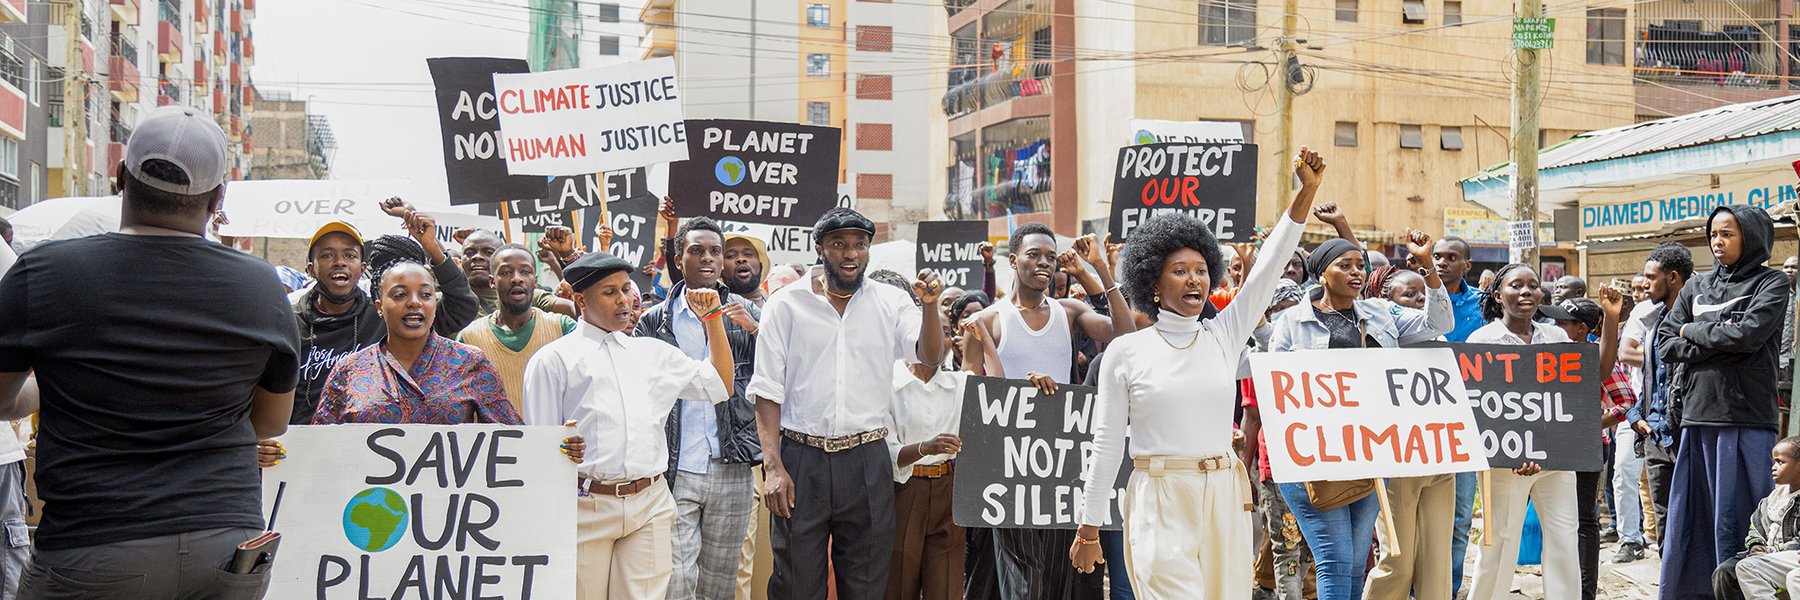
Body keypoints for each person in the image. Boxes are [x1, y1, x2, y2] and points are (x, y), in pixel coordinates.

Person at [0, 105, 297, 597]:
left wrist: (57, 385)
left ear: (119, 177)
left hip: (95, 549)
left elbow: (1, 399)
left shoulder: (45, 273)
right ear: (217, 198)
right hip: (225, 546)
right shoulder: (261, 286)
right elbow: (270, 423)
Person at [1071, 148, 1326, 599]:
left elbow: (1267, 269)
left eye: (1202, 271)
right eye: (1180, 271)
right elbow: (1107, 448)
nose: (1195, 280)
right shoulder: (1126, 352)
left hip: (1225, 495)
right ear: (1153, 282)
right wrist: (1089, 528)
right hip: (1159, 496)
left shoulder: (1223, 335)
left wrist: (1305, 194)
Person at [749, 207, 947, 600]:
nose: (851, 253)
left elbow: (930, 355)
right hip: (800, 461)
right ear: (819, 247)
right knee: (795, 584)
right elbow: (767, 392)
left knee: (868, 581)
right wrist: (773, 468)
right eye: (839, 244)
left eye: (860, 244)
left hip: (867, 460)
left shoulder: (892, 301)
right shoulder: (785, 305)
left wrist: (929, 306)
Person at [523, 252, 737, 600]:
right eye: (610, 292)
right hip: (585, 506)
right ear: (580, 300)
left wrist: (712, 318)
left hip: (648, 504)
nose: (624, 300)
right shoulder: (553, 360)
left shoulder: (652, 354)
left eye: (626, 289)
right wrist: (562, 446)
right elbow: (540, 446)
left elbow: (720, 384)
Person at [1267, 230, 1453, 600]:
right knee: (1334, 559)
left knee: (1354, 562)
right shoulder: (1291, 323)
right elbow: (1278, 393)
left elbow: (1439, 324)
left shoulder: (1381, 313)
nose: (1357, 273)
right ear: (1321, 273)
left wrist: (1428, 265)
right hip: (1314, 457)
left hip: (1368, 453)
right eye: (1345, 265)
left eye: (1360, 267)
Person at [968, 221, 1137, 600]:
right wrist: (1020, 390)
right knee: (1023, 581)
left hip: (1063, 468)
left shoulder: (1069, 311)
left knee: (1062, 581)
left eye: (1049, 256)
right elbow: (972, 398)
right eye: (1033, 255)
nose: (1044, 263)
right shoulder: (988, 321)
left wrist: (1102, 271)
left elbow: (1126, 338)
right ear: (1013, 261)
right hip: (1010, 467)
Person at [1656, 205, 1791, 600]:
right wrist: (1717, 338)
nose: (1718, 242)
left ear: (1750, 236)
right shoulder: (1696, 287)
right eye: (1713, 234)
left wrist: (1692, 331)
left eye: (1728, 234)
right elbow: (1666, 343)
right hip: (1698, 417)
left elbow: (1748, 336)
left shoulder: (1771, 284)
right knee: (1694, 521)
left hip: (1745, 416)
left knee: (1740, 519)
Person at [636, 216, 763, 600]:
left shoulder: (746, 313)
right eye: (696, 250)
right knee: (676, 581)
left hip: (732, 466)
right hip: (675, 468)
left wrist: (757, 330)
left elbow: (782, 375)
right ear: (679, 258)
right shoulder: (653, 321)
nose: (707, 259)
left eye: (715, 251)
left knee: (719, 585)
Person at [291, 202, 480, 424]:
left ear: (362, 269)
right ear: (311, 269)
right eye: (327, 255)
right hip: (300, 448)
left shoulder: (386, 316)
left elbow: (462, 307)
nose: (340, 262)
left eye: (350, 255)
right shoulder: (289, 323)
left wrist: (432, 247)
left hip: (371, 447)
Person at [1466, 264, 1586, 600]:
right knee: (1499, 543)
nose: (1526, 292)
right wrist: (1511, 450)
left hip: (1557, 459)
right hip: (1505, 463)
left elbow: (1569, 398)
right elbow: (1481, 408)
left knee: (1565, 538)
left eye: (1533, 286)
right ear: (1497, 295)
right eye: (1516, 285)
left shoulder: (1557, 337)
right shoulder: (1482, 340)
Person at [308, 261, 521, 426]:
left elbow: (512, 438)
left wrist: (551, 451)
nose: (414, 302)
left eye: (425, 294)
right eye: (400, 294)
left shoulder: (470, 363)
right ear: (380, 307)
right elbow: (320, 446)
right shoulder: (349, 370)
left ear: (434, 305)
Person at [877, 275, 982, 600]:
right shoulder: (888, 386)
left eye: (946, 334)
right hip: (906, 491)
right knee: (899, 579)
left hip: (949, 490)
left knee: (947, 584)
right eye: (927, 333)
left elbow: (997, 394)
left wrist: (983, 339)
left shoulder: (958, 384)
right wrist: (926, 448)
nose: (937, 340)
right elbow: (888, 454)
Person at [1540, 295, 1637, 600]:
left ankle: (1585, 591)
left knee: (1584, 519)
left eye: (1562, 322)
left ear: (1581, 329)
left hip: (1588, 446)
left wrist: (1592, 424)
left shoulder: (1597, 356)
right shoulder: (1551, 353)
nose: (1555, 326)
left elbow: (1626, 401)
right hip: (1554, 446)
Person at [1626, 242, 1695, 550]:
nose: (1645, 284)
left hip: (1685, 434)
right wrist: (1637, 416)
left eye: (1652, 278)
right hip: (1655, 435)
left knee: (1692, 516)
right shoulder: (1654, 322)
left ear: (1674, 278)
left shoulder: (1695, 320)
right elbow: (1654, 380)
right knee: (1664, 521)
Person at [1430, 234, 1488, 594]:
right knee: (1418, 516)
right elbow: (1371, 277)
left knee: (1460, 516)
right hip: (1418, 421)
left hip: (1468, 423)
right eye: (1437, 256)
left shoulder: (1484, 304)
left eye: (1451, 257)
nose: (1442, 262)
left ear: (1467, 265)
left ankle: (1449, 589)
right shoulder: (1414, 295)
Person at [455, 245, 578, 411]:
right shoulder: (469, 339)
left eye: (525, 271)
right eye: (506, 272)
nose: (516, 279)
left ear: (535, 281)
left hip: (553, 437)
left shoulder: (563, 328)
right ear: (492, 282)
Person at [1713, 436, 1800, 600]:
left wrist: (1775, 552)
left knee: (1748, 568)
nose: (1774, 467)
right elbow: (1756, 526)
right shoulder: (1773, 498)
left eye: (1780, 462)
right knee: (1725, 572)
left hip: (1787, 556)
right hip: (1765, 555)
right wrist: (1756, 545)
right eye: (1774, 462)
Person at [462, 230, 577, 318]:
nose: (478, 257)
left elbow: (579, 312)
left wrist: (568, 253)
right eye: (469, 252)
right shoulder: (452, 301)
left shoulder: (532, 297)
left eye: (488, 252)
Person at [724, 233, 772, 307]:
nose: (741, 259)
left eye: (748, 254)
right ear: (720, 269)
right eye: (730, 256)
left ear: (760, 266)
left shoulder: (777, 306)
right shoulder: (710, 309)